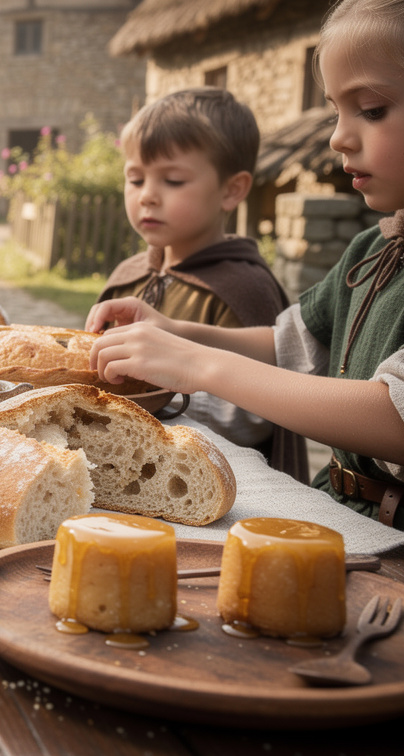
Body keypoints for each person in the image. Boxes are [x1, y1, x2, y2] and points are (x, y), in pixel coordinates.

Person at [87, 0, 404, 534]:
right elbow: (290, 345)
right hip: (344, 517)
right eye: (336, 110)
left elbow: (403, 419)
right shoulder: (373, 249)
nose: (338, 137)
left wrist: (199, 365)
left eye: (373, 110)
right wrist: (176, 332)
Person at [98, 87, 306, 481]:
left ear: (232, 190)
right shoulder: (127, 277)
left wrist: (155, 398)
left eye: (173, 180)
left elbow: (255, 414)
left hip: (208, 484)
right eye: (135, 178)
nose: (147, 197)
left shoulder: (245, 288)